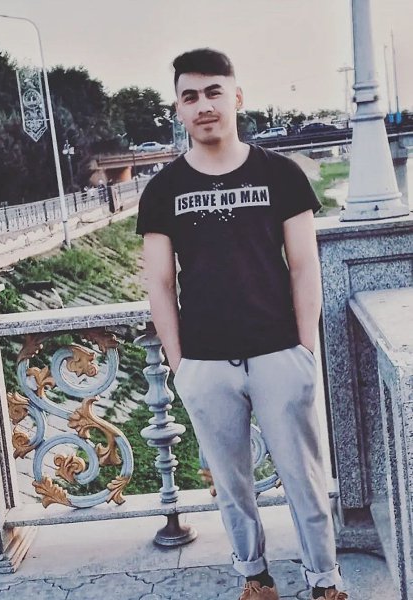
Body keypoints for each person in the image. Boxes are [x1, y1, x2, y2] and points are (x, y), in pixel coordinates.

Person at [136, 48, 348, 600]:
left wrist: (304, 348)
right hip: (206, 363)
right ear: (178, 109)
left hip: (279, 352)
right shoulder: (162, 190)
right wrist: (180, 365)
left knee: (305, 478)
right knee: (231, 486)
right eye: (190, 96)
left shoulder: (280, 174)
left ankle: (325, 581)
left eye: (213, 92)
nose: (203, 105)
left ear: (236, 97)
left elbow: (304, 266)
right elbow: (159, 283)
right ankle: (254, 577)